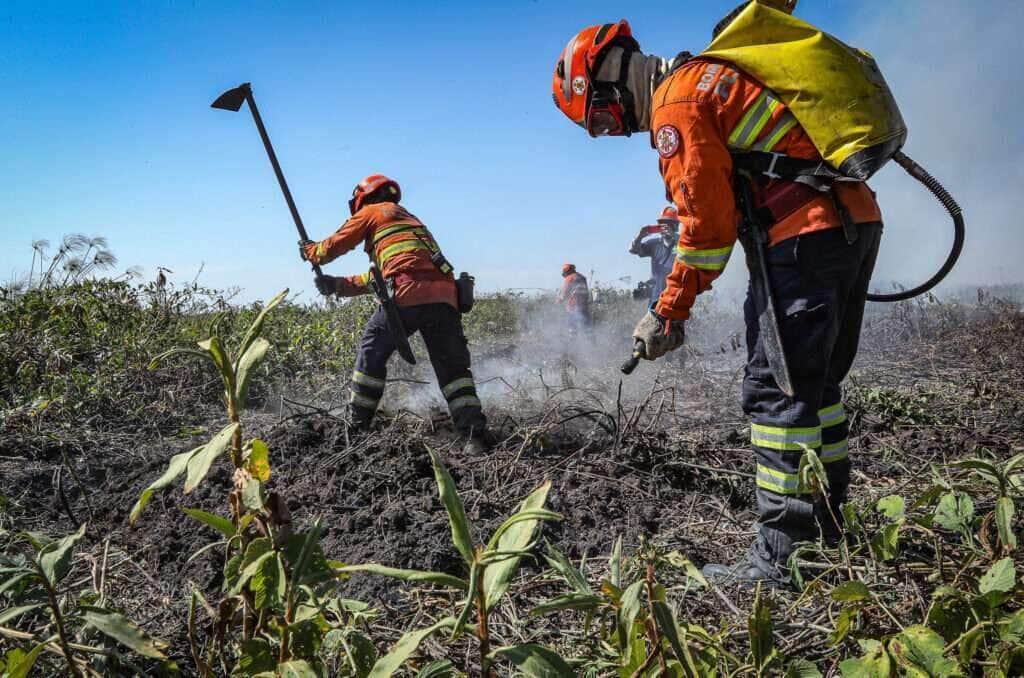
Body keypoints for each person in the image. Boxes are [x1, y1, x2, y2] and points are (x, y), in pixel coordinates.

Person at [551, 4, 884, 585]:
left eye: (602, 117)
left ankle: (782, 559)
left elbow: (705, 232)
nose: (617, 129)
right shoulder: (711, 78)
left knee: (775, 394)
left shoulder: (677, 102)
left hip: (802, 236)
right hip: (850, 222)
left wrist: (665, 311)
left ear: (608, 77)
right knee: (816, 387)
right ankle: (829, 530)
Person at [300, 174, 490, 453]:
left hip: (407, 294)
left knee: (372, 347)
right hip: (444, 297)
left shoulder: (372, 212)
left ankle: (357, 425)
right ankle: (474, 436)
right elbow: (390, 275)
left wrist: (311, 252)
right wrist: (338, 285)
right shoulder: (410, 220)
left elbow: (332, 247)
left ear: (362, 198)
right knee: (453, 369)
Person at [630, 205, 680, 305]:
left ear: (674, 226)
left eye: (667, 224)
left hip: (675, 299)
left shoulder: (681, 242)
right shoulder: (654, 244)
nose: (663, 227)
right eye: (661, 224)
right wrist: (639, 236)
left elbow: (689, 253)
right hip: (655, 300)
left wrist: (673, 237)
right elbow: (633, 250)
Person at [557, 263, 591, 335]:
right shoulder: (582, 277)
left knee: (572, 328)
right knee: (587, 328)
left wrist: (558, 300)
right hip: (584, 306)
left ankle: (572, 343)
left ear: (566, 271)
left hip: (573, 306)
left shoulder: (569, 278)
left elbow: (564, 293)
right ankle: (592, 343)